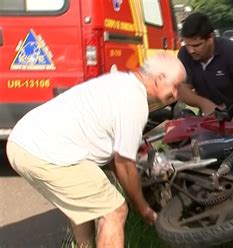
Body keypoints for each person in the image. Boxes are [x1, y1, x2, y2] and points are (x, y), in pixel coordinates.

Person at [6, 54, 186, 247]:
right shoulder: (134, 101)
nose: (176, 95)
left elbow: (115, 158)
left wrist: (133, 192)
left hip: (22, 142)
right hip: (43, 151)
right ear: (159, 79)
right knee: (114, 211)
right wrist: (142, 208)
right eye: (175, 86)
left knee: (90, 198)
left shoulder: (121, 82)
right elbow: (124, 164)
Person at [176, 12, 233, 135]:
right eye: (187, 45)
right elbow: (182, 90)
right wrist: (204, 104)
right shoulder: (184, 55)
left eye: (196, 45)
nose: (191, 50)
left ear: (211, 37)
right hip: (210, 120)